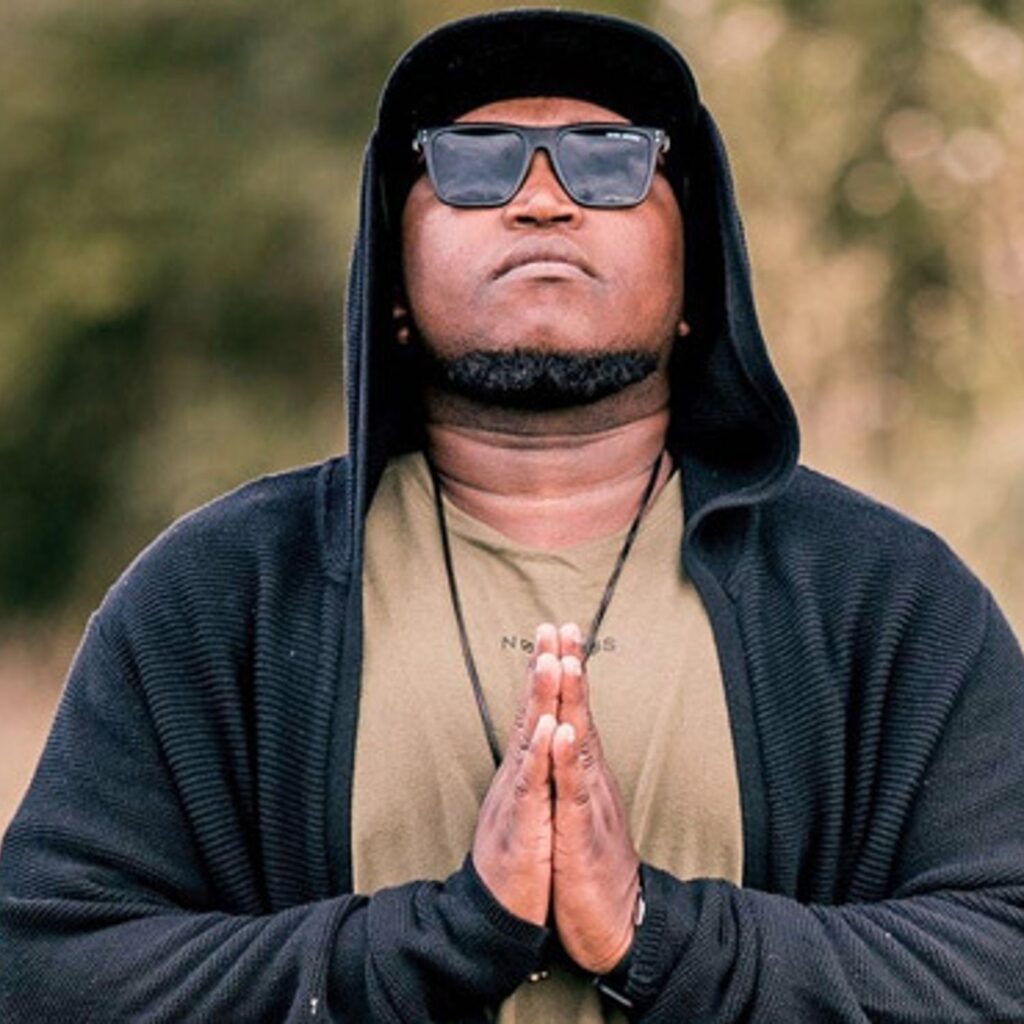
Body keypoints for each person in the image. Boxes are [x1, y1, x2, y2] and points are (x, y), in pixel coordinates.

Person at [2, 8, 1023, 1022]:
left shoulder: (881, 596)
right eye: (473, 163)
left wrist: (655, 934)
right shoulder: (225, 592)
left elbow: (1002, 953)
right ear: (393, 277)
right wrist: (437, 940)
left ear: (694, 276)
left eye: (610, 161)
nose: (541, 200)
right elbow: (43, 967)